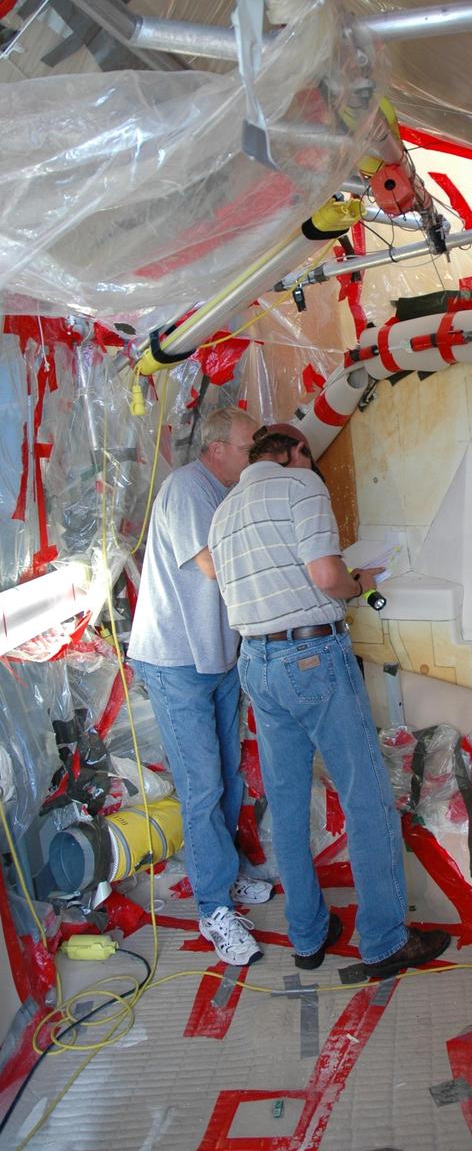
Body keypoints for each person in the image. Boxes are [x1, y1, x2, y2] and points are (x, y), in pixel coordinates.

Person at [208, 424, 451, 976]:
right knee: (366, 797)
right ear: (297, 453)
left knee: (288, 806)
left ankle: (308, 937)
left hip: (257, 664)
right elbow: (324, 575)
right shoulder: (301, 487)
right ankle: (385, 942)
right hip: (311, 657)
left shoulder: (224, 511)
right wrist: (356, 581)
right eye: (309, 458)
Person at [128, 405, 272, 966]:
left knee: (228, 776)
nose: (253, 455)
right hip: (176, 660)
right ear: (215, 450)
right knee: (202, 786)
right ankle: (214, 909)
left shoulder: (227, 493)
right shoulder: (190, 488)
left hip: (216, 657)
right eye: (245, 448)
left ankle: (227, 875)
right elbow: (215, 567)